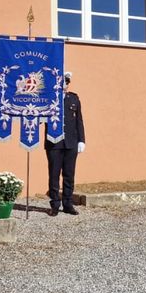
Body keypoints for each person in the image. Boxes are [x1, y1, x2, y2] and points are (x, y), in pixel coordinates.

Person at [44, 72, 86, 216]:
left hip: (71, 142)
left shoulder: (73, 98)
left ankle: (68, 204)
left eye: (67, 82)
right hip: (54, 143)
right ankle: (55, 205)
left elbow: (79, 121)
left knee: (69, 175)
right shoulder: (49, 99)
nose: (65, 85)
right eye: (62, 82)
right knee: (54, 175)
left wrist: (81, 140)